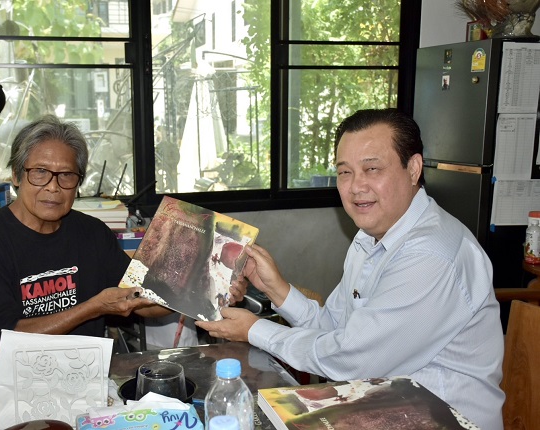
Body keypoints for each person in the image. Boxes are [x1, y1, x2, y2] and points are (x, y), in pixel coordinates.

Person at [197, 108, 505, 429]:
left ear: (413, 169)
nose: (356, 186)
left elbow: (354, 360)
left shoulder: (432, 254)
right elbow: (334, 328)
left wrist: (255, 331)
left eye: (372, 169)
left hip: (447, 418)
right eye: (345, 172)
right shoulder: (368, 238)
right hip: (387, 408)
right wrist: (277, 289)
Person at [0, 114, 246, 369]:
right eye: (40, 172)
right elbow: (4, 342)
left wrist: (209, 288)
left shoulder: (92, 233)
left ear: (78, 183)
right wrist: (93, 308)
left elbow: (143, 302)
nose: (53, 187)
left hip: (84, 377)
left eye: (66, 175)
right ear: (17, 176)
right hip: (5, 381)